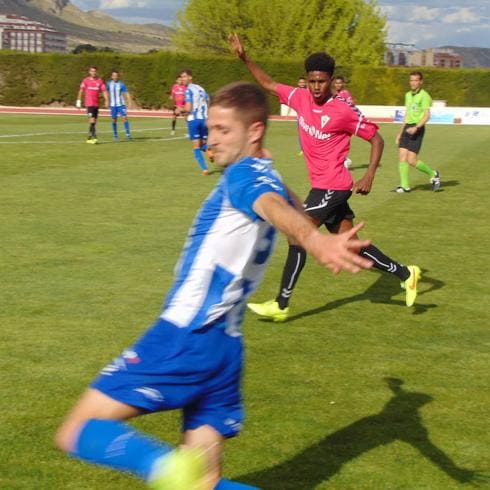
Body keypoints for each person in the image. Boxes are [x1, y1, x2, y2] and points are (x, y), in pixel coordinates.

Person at [55, 81, 373, 490]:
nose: (211, 139)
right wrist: (312, 233)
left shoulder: (245, 177)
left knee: (78, 430)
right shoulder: (266, 175)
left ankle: (166, 470)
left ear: (254, 130)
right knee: (206, 483)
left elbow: (271, 206)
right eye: (210, 129)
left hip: (186, 335)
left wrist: (314, 240)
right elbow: (289, 212)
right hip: (225, 348)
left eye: (223, 130)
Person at [229, 33, 421, 321]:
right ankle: (407, 274)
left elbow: (377, 139)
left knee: (298, 234)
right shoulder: (299, 97)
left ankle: (281, 304)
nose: (317, 87)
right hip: (322, 186)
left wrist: (369, 175)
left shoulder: (342, 111)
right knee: (350, 244)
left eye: (322, 81)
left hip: (333, 186)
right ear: (306, 79)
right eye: (312, 81)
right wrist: (245, 57)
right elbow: (268, 84)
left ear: (331, 80)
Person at [395, 71, 440, 193]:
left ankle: (433, 173)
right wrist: (400, 132)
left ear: (420, 82)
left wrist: (416, 128)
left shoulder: (424, 96)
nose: (413, 83)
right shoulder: (408, 95)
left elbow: (427, 115)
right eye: (411, 80)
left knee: (411, 160)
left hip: (417, 128)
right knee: (402, 156)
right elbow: (407, 114)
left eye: (416, 80)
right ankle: (405, 186)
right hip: (407, 128)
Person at [180, 69, 213, 175]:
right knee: (203, 143)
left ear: (190, 77)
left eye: (184, 77)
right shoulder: (200, 88)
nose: (183, 79)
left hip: (194, 120)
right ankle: (209, 151)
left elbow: (188, 109)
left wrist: (180, 110)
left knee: (196, 147)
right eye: (181, 77)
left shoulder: (188, 90)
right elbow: (208, 101)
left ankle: (205, 169)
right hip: (204, 119)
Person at [76, 66, 109, 144]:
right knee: (92, 120)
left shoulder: (100, 81)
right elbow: (81, 90)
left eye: (94, 71)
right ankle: (95, 136)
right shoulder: (86, 81)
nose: (93, 72)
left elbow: (104, 91)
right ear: (89, 72)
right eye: (92, 71)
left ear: (96, 72)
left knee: (94, 121)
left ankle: (89, 138)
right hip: (89, 103)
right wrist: (78, 101)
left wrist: (107, 100)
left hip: (96, 104)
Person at [107, 70, 132, 141]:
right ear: (111, 76)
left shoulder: (121, 84)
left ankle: (128, 134)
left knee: (124, 118)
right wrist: (107, 100)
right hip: (113, 105)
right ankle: (115, 135)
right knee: (114, 120)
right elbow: (106, 92)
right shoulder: (109, 84)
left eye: (116, 76)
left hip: (121, 105)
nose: (115, 77)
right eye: (113, 75)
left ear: (118, 76)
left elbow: (126, 93)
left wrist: (129, 102)